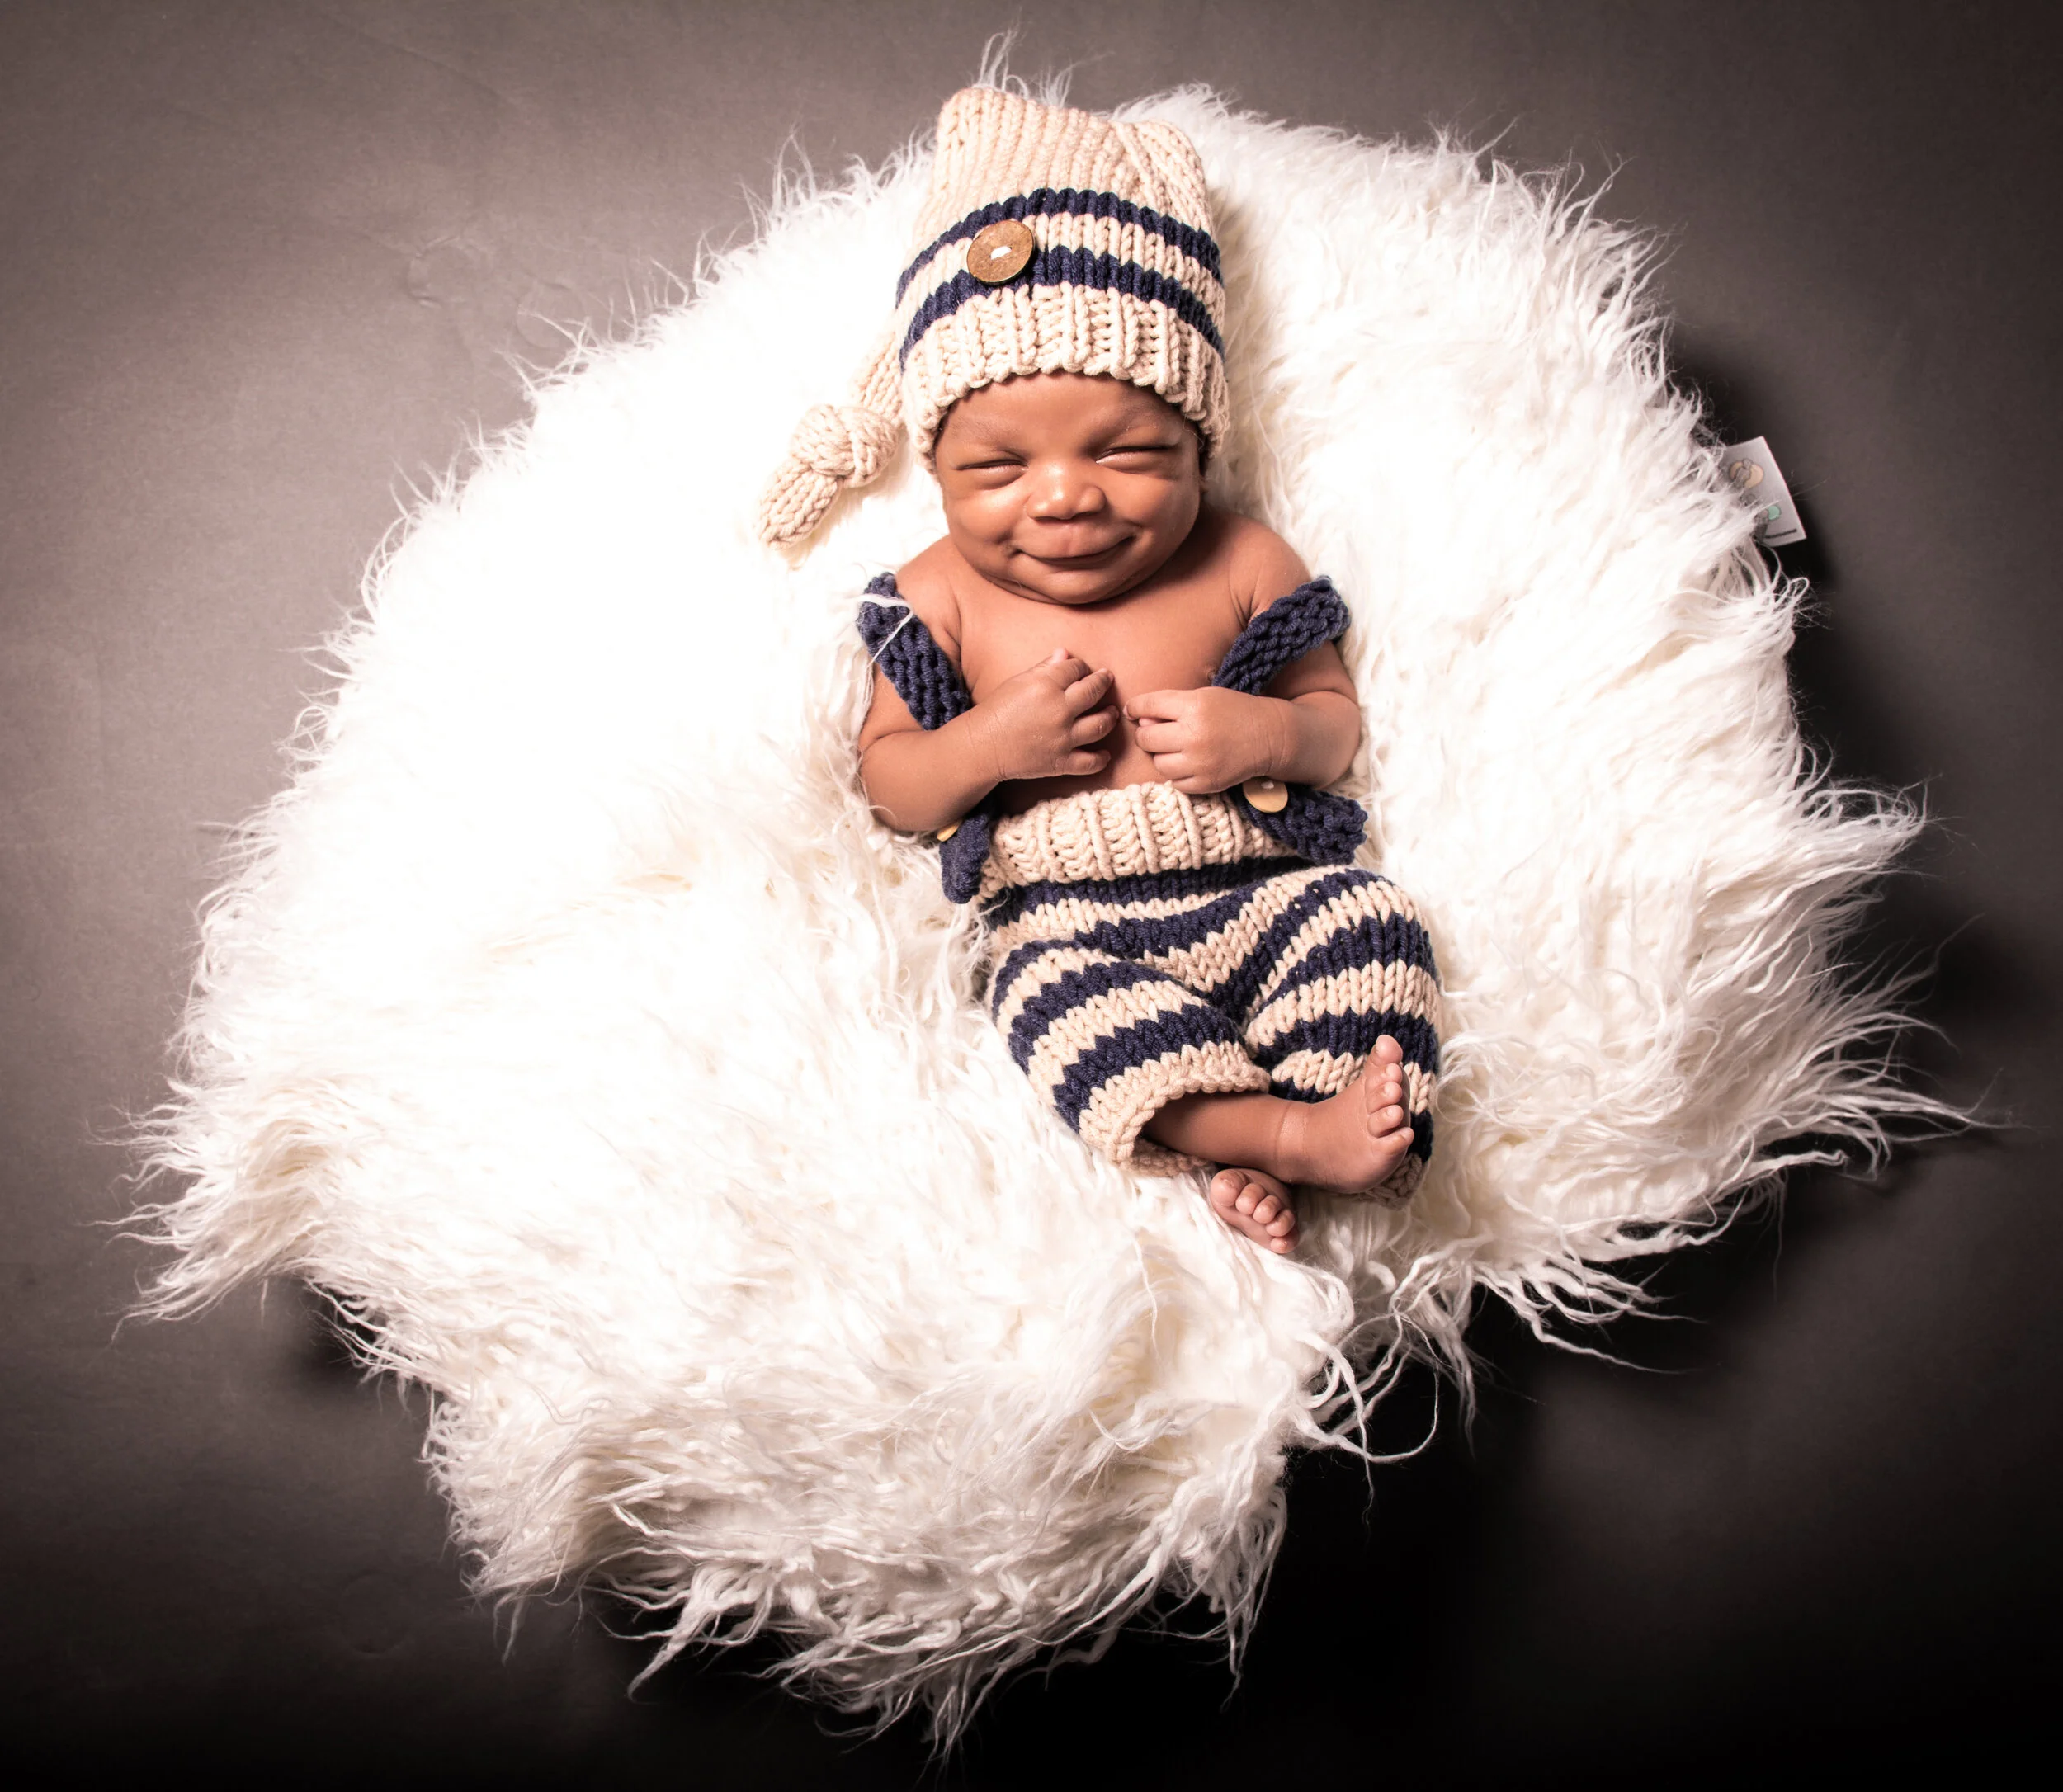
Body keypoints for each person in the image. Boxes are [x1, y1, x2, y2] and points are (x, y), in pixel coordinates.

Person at [760, 87, 1440, 1253]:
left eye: (1128, 452)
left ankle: (1316, 1120)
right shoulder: (935, 595)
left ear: (1199, 442)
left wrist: (1265, 736)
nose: (1067, 495)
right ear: (937, 466)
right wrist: (985, 747)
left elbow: (1333, 722)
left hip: (1257, 883)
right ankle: (1266, 1134)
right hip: (1067, 922)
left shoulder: (1244, 559)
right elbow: (893, 785)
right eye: (998, 469)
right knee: (1042, 1005)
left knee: (1371, 921)